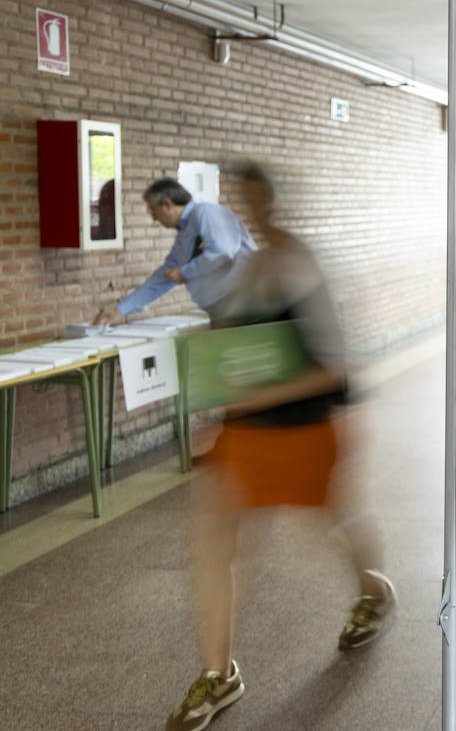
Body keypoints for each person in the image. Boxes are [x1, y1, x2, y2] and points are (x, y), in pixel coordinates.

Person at [165, 163, 394, 731]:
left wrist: (256, 390)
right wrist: (212, 365)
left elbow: (335, 371)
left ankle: (374, 590)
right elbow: (242, 344)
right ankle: (219, 674)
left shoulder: (301, 264)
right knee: (216, 543)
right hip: (249, 432)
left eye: (258, 197)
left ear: (276, 201)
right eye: (244, 200)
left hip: (308, 428)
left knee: (334, 518)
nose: (253, 209)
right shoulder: (254, 264)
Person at [92, 178, 255, 326]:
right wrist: (121, 309)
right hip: (223, 310)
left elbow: (222, 251)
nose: (154, 218)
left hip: (247, 303)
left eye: (153, 210)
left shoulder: (205, 212)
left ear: (167, 203)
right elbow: (165, 276)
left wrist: (186, 272)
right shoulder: (185, 234)